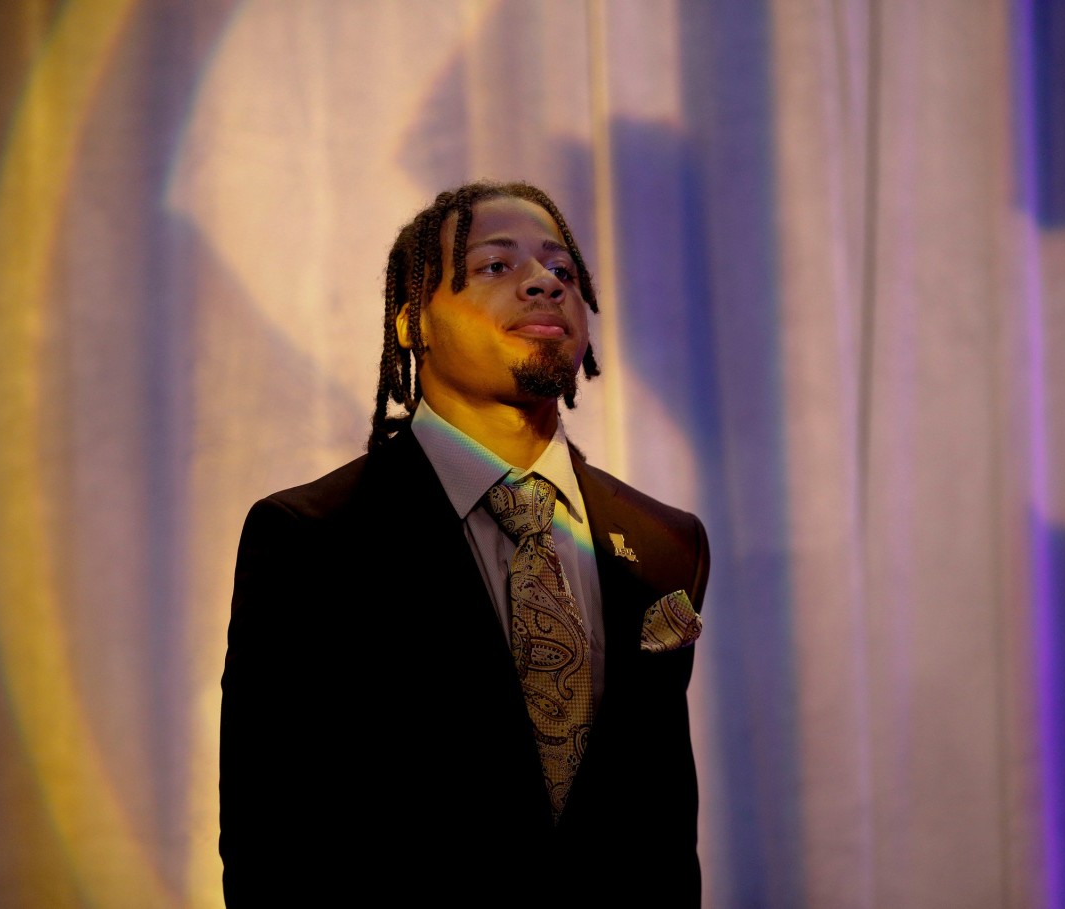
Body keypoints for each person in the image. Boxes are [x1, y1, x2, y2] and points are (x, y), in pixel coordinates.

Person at [219, 180, 710, 906]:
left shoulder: (665, 542)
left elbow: (662, 832)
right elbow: (271, 845)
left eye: (562, 271)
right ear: (412, 321)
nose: (544, 281)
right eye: (496, 266)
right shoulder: (310, 539)